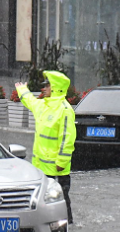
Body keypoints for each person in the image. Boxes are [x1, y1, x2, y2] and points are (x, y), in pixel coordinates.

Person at [14, 71, 76, 223]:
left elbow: (67, 139)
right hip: (41, 167)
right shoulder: (43, 105)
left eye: (47, 86)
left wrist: (61, 162)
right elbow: (30, 101)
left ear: (55, 87)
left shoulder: (65, 110)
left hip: (57, 169)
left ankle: (66, 225)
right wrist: (22, 89)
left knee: (61, 201)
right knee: (42, 200)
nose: (44, 89)